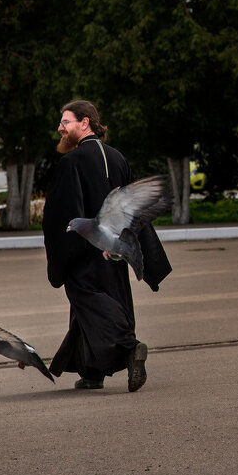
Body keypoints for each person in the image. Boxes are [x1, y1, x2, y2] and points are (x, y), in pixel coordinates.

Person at [41, 99, 171, 391]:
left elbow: (60, 214)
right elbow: (134, 215)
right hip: (113, 254)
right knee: (89, 311)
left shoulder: (70, 162)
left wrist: (61, 256)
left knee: (94, 306)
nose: (60, 128)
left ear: (84, 123)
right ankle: (92, 371)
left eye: (66, 122)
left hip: (84, 257)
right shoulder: (118, 158)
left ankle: (129, 347)